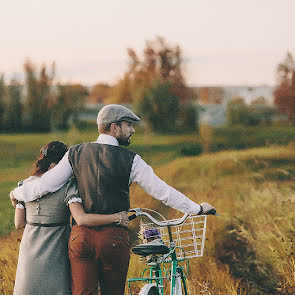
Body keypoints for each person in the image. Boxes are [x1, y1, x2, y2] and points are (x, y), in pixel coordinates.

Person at [11, 104, 216, 295]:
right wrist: (196, 208)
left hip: (80, 238)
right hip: (113, 239)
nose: (132, 130)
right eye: (128, 125)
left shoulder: (75, 153)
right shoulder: (132, 160)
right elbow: (163, 192)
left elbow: (45, 185)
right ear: (114, 127)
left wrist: (17, 194)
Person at [12, 141, 129, 295]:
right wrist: (116, 217)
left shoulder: (24, 186)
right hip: (56, 248)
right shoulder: (68, 187)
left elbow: (19, 223)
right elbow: (81, 219)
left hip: (30, 249)